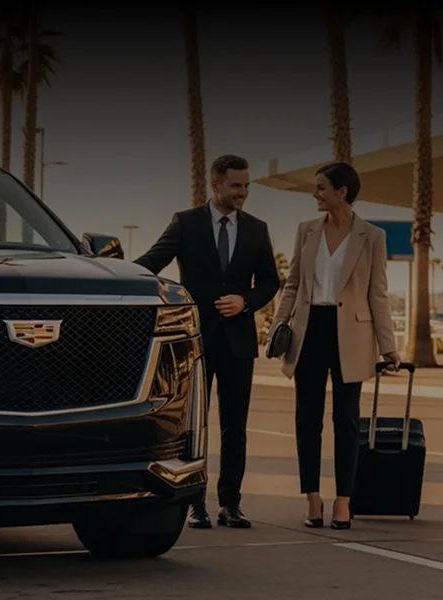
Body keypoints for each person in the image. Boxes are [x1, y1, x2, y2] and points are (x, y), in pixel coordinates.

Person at [133, 154, 280, 529]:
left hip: (238, 343)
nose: (242, 193)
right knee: (192, 427)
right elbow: (153, 261)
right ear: (216, 185)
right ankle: (195, 503)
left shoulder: (257, 229)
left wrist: (245, 301)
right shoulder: (186, 223)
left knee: (235, 427)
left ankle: (231, 505)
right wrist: (114, 276)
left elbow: (269, 282)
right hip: (193, 342)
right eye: (236, 186)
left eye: (246, 186)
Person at [272, 162, 399, 531]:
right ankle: (312, 496)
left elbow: (378, 294)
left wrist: (389, 347)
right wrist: (280, 324)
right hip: (308, 331)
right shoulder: (306, 231)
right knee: (307, 419)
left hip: (352, 335)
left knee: (346, 421)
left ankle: (344, 499)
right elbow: (293, 283)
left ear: (342, 191)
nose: (315, 194)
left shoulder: (372, 237)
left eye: (321, 188)